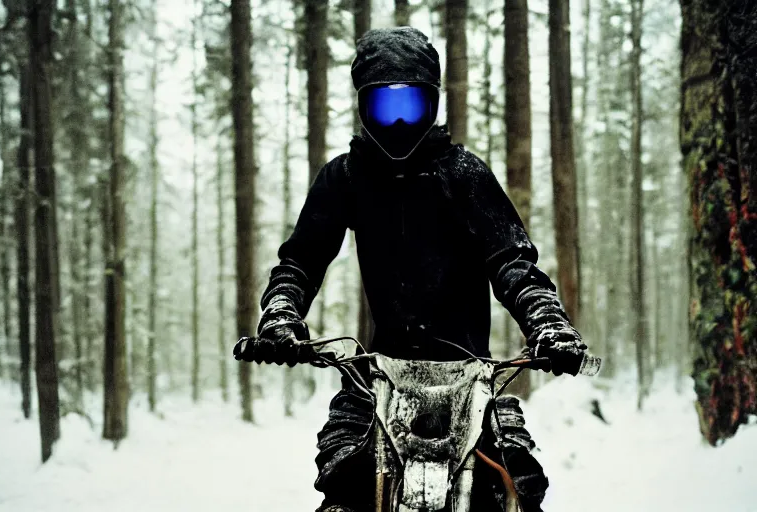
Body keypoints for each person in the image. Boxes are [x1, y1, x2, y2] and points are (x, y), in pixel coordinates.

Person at [234, 27, 589, 512]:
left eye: (411, 107)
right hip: (377, 375)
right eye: (385, 108)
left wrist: (547, 321)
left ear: (433, 105)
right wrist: (281, 315)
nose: (398, 123)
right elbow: (301, 260)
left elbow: (513, 261)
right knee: (341, 482)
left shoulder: (464, 174)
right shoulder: (345, 178)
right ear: (363, 109)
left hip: (474, 375)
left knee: (519, 485)